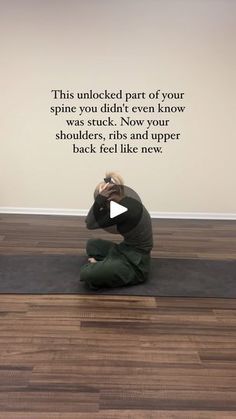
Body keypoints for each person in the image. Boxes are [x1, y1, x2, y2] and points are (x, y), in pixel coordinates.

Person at [80, 172, 153, 289]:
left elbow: (89, 223)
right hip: (126, 249)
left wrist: (99, 200)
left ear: (107, 197)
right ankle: (106, 264)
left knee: (86, 273)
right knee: (92, 245)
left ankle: (99, 266)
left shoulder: (123, 210)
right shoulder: (127, 201)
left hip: (136, 263)